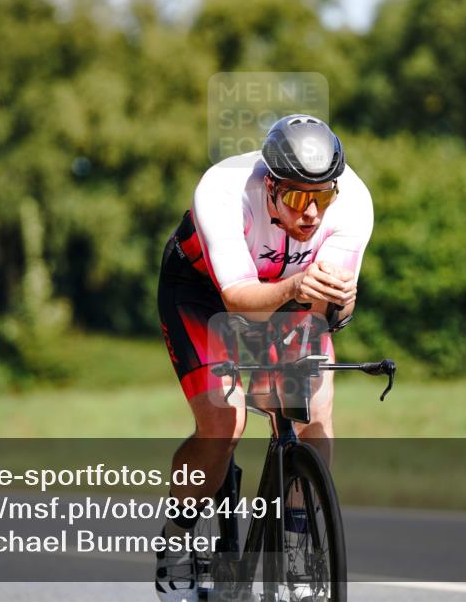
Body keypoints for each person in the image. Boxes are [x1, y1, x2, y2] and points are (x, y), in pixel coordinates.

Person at [154, 114, 374, 601]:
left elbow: (326, 309)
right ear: (270, 187)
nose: (312, 213)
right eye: (298, 198)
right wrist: (297, 285)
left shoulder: (354, 201)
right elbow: (236, 300)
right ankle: (178, 536)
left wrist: (334, 303)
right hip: (204, 292)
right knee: (224, 422)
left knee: (311, 408)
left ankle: (296, 544)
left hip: (287, 297)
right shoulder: (223, 191)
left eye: (322, 197)